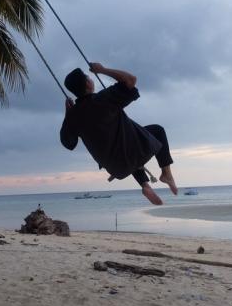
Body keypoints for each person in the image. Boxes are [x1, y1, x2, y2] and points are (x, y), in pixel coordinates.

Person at [60, 62, 177, 205]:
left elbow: (67, 142)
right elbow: (131, 80)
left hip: (117, 167)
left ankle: (145, 185)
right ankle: (166, 173)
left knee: (127, 141)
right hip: (131, 152)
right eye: (88, 78)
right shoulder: (103, 99)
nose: (91, 79)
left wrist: (68, 114)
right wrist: (102, 70)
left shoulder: (74, 116)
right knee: (157, 130)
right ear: (87, 84)